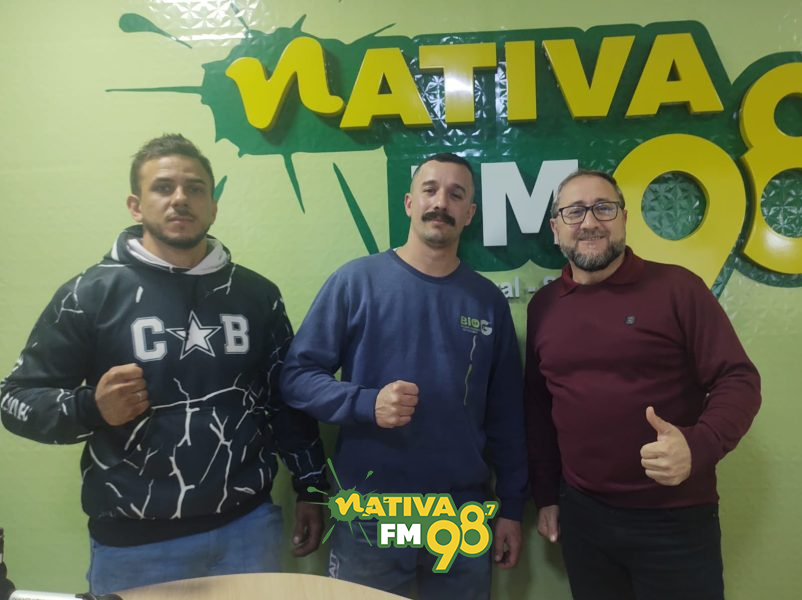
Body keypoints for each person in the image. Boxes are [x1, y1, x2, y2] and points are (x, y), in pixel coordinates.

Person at [0, 134, 328, 594]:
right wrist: (91, 408)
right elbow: (13, 399)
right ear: (135, 206)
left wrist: (311, 487)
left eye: (195, 188)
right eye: (163, 187)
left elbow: (286, 399)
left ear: (213, 206)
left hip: (248, 530)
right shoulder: (89, 294)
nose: (180, 199)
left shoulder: (257, 295)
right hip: (134, 546)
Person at [280, 153, 528, 599]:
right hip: (373, 514)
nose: (441, 203)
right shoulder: (356, 282)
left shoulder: (487, 300)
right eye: (430, 190)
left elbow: (506, 415)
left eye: (456, 195)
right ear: (410, 203)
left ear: (469, 214)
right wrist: (365, 403)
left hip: (459, 518)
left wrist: (511, 506)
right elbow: (297, 377)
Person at [524, 169, 761, 600]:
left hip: (675, 521)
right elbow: (539, 408)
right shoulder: (543, 307)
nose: (590, 222)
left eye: (603, 208)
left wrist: (699, 444)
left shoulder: (678, 289)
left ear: (624, 218)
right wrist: (547, 495)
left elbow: (738, 378)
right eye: (574, 212)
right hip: (583, 519)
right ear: (556, 228)